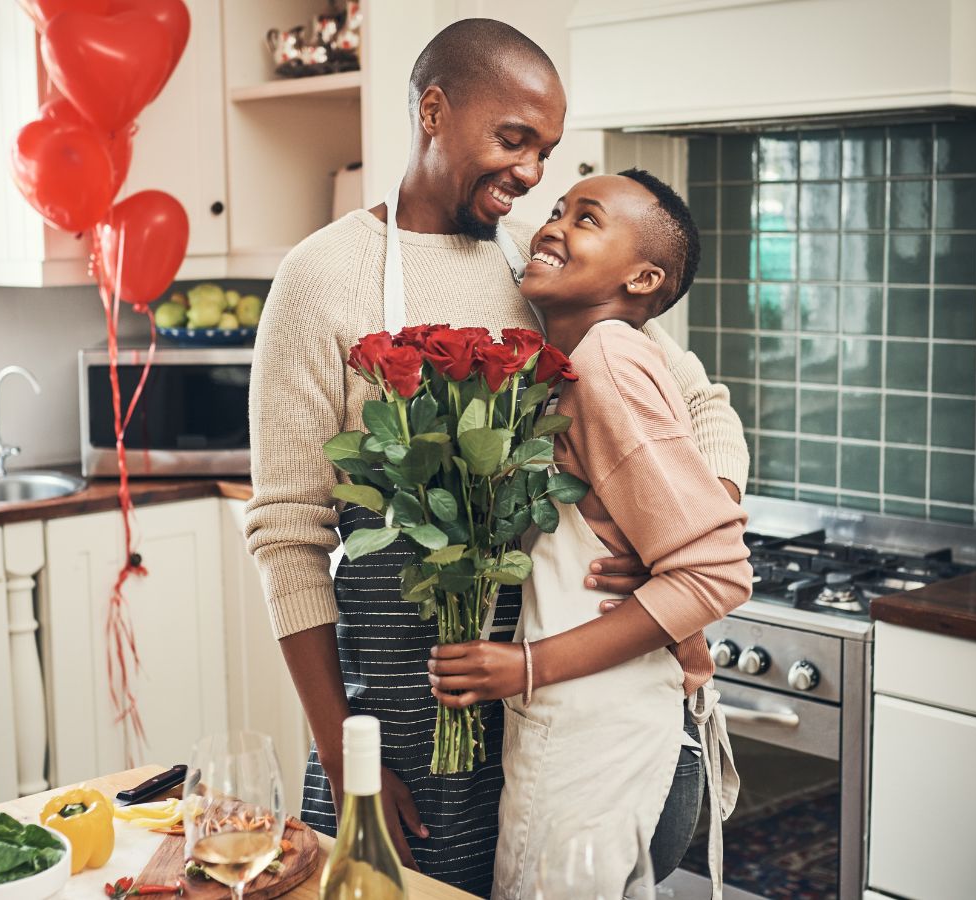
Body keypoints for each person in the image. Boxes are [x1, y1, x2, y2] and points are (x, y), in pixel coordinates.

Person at [245, 19, 749, 896]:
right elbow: (288, 535)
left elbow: (701, 402)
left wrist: (671, 531)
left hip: (542, 708)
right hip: (398, 717)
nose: (529, 175)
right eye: (513, 140)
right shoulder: (322, 277)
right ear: (434, 111)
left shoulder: (541, 273)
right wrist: (343, 750)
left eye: (545, 154)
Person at [425, 170, 752, 900]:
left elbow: (718, 574)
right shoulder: (583, 359)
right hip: (608, 724)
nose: (553, 226)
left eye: (587, 219)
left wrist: (526, 665)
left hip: (599, 734)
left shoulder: (608, 359)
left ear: (642, 279)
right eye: (557, 210)